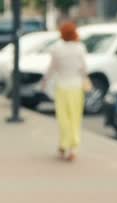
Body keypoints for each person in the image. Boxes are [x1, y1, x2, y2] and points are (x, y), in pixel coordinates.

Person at [42, 21, 88, 162]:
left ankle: (64, 144)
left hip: (61, 86)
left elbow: (52, 68)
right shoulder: (80, 48)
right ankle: (73, 148)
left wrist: (45, 82)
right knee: (75, 117)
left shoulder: (57, 49)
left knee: (63, 118)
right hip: (76, 86)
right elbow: (84, 69)